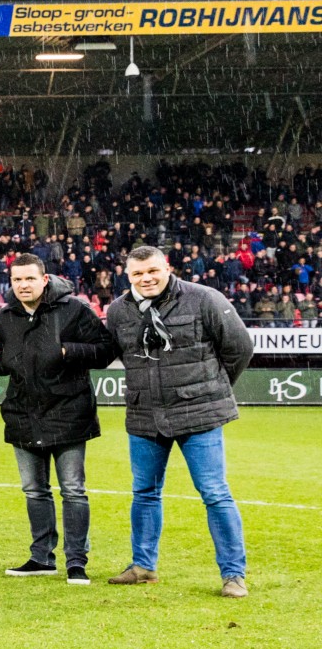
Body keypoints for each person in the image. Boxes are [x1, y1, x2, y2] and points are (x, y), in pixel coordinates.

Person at [104, 246, 254, 596]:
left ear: (167, 268)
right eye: (138, 273)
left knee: (215, 494)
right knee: (144, 493)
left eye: (153, 271)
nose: (147, 278)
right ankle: (143, 566)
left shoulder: (204, 298)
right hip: (145, 415)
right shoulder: (118, 311)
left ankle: (234, 574)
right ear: (128, 276)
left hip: (199, 414)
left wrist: (210, 390)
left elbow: (240, 348)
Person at [0, 253, 120, 583]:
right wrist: (5, 360)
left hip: (68, 414)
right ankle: (41, 558)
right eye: (17, 280)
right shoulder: (6, 316)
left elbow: (106, 350)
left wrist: (67, 351)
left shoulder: (74, 309)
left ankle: (76, 562)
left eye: (29, 279)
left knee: (73, 490)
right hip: (23, 414)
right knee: (34, 490)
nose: (23, 285)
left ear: (44, 279)